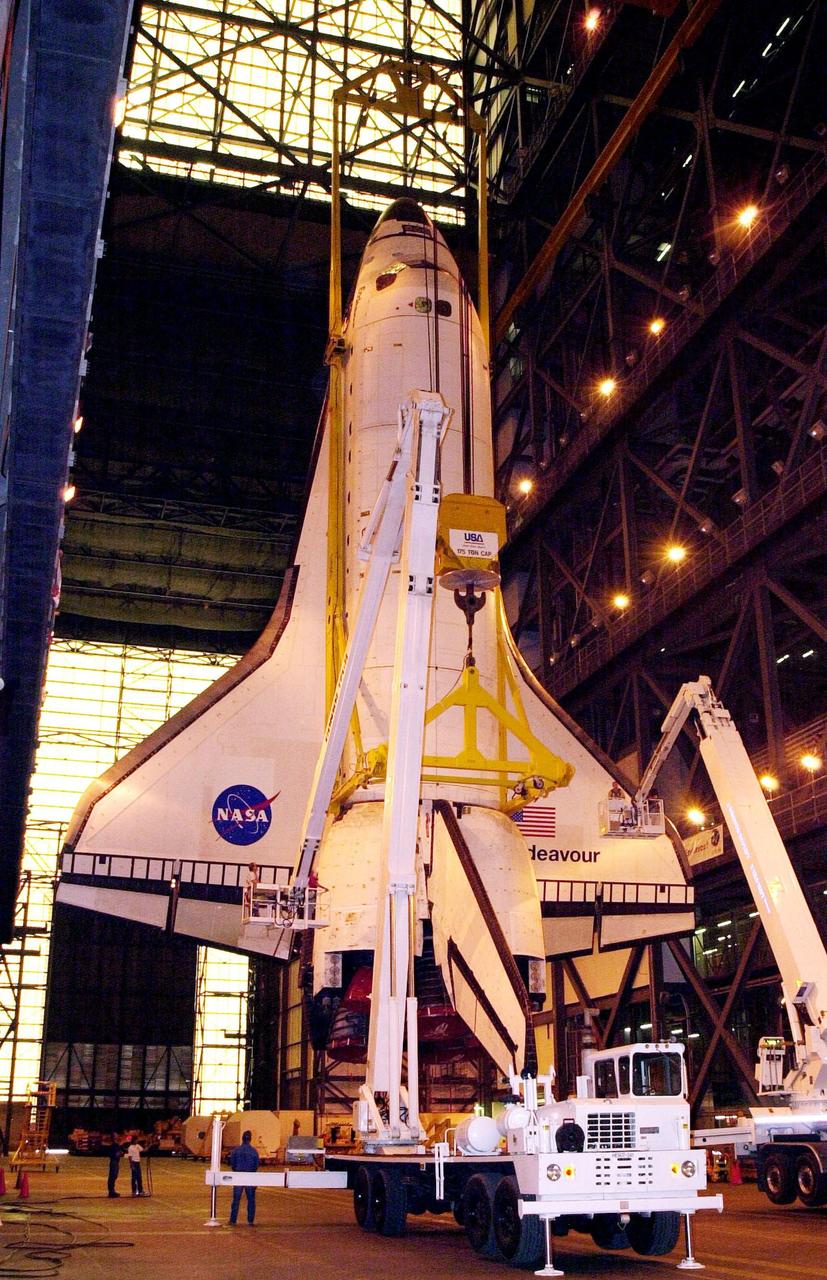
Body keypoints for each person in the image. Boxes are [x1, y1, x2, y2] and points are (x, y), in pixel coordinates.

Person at [228, 1129, 259, 1225]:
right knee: (251, 1199)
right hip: (249, 1177)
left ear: (242, 1138)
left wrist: (236, 1171)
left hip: (238, 1177)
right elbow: (256, 1165)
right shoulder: (254, 1151)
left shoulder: (236, 1150)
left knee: (236, 1199)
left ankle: (233, 1220)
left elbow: (232, 1163)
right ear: (250, 1139)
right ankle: (250, 1221)